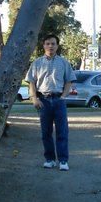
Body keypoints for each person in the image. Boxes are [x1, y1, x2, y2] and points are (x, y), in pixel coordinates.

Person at [27, 33, 76, 171]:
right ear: (43, 45)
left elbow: (69, 81)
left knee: (62, 131)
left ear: (57, 46)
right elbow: (31, 82)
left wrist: (63, 97)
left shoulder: (64, 63)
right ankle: (49, 159)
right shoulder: (36, 63)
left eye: (53, 43)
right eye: (48, 43)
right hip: (43, 101)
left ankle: (63, 160)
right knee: (45, 132)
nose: (50, 46)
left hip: (59, 100)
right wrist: (35, 98)